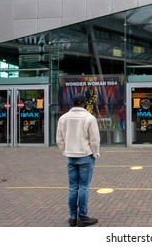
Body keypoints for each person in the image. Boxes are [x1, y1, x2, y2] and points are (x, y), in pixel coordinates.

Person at [56, 93, 100, 227]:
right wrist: (95, 153)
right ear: (84, 103)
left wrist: (65, 150)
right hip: (85, 155)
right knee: (83, 187)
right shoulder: (89, 118)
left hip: (71, 156)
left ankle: (72, 217)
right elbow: (94, 139)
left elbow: (59, 139)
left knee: (73, 187)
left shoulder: (63, 118)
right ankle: (83, 216)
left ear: (72, 103)